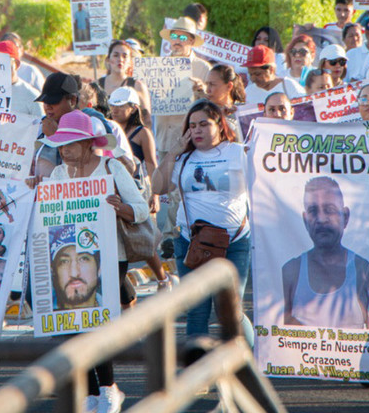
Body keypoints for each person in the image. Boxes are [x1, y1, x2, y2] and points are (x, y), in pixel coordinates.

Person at [44, 109, 148, 413]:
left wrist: (121, 207)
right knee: (75, 326)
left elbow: (140, 209)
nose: (64, 150)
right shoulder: (59, 174)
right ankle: (90, 393)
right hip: (70, 261)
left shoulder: (111, 167)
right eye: (61, 145)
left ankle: (108, 388)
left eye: (71, 144)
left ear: (90, 142)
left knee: (96, 324)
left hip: (110, 258)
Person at [153, 100, 254, 340]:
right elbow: (157, 186)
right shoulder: (184, 158)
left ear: (219, 125)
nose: (197, 130)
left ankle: (248, 363)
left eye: (203, 124)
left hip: (234, 242)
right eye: (192, 125)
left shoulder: (238, 152)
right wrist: (175, 151)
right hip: (191, 242)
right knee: (197, 311)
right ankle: (196, 371)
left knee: (229, 309)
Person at [282, 176, 369, 329]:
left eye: (329, 210)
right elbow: (276, 332)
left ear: (345, 217)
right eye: (313, 211)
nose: (321, 219)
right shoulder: (291, 271)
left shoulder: (363, 269)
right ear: (305, 220)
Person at [108, 85, 171, 288]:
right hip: (115, 189)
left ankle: (163, 279)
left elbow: (152, 163)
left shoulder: (143, 133)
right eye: (113, 106)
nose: (115, 110)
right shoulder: (108, 128)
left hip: (138, 190)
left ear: (133, 108)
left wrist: (156, 194)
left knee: (146, 239)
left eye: (120, 106)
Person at [99, 39, 153, 125]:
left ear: (130, 62)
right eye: (116, 55)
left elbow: (147, 119)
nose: (120, 59)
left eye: (125, 56)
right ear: (108, 59)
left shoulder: (137, 86)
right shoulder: (98, 85)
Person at [0, 40, 42, 118]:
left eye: (6, 62)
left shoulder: (32, 96)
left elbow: (41, 127)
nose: (1, 67)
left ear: (16, 64)